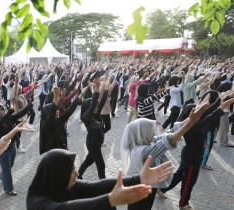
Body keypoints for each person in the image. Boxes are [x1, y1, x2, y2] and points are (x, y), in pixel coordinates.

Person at [121, 97, 209, 210]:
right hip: (141, 191)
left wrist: (195, 114)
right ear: (142, 133)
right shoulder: (140, 151)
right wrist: (190, 123)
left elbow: (171, 132)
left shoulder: (148, 143)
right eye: (151, 131)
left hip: (150, 187)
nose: (154, 132)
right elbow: (168, 141)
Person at [26, 149, 174, 210]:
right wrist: (110, 200)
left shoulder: (63, 186)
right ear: (57, 174)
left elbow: (98, 186)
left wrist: (140, 178)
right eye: (72, 171)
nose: (77, 174)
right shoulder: (37, 202)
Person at [158, 93, 234, 210]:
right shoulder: (191, 127)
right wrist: (221, 108)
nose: (200, 114)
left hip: (189, 155)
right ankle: (183, 203)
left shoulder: (191, 123)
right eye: (196, 113)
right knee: (189, 182)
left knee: (178, 176)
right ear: (190, 116)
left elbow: (206, 112)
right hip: (191, 157)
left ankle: (161, 189)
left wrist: (219, 100)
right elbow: (209, 118)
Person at [0, 99, 34, 195]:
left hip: (12, 147)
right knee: (7, 171)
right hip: (2, 150)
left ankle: (2, 175)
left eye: (2, 109)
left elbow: (20, 114)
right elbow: (1, 120)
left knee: (9, 166)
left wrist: (30, 105)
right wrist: (9, 112)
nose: (1, 112)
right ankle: (9, 189)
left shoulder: (8, 118)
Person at [39, 85, 90, 155]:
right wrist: (56, 96)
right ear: (48, 114)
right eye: (55, 111)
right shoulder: (46, 126)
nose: (57, 111)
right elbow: (51, 114)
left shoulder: (59, 120)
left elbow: (73, 106)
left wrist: (83, 92)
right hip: (54, 156)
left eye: (57, 110)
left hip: (63, 150)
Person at [78, 78, 109, 179]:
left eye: (97, 106)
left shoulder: (97, 112)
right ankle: (103, 184)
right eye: (94, 106)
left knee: (88, 161)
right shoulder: (86, 117)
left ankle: (78, 175)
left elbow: (102, 100)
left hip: (97, 143)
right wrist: (96, 90)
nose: (97, 107)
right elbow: (92, 106)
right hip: (92, 144)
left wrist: (106, 89)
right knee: (101, 165)